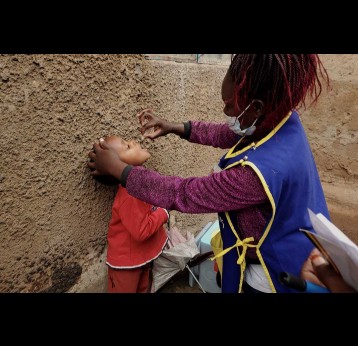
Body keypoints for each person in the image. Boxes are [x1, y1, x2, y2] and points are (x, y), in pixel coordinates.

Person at [88, 54, 330, 293]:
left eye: (229, 104)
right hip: (299, 245)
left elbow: (184, 193)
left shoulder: (254, 176)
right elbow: (227, 134)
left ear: (256, 108)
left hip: (273, 271)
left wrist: (118, 168)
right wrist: (176, 127)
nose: (225, 109)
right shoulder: (282, 120)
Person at [92, 135, 169, 293]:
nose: (133, 142)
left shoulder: (139, 183)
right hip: (126, 265)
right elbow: (141, 231)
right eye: (126, 146)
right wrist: (164, 211)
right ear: (116, 166)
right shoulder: (130, 193)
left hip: (139, 257)